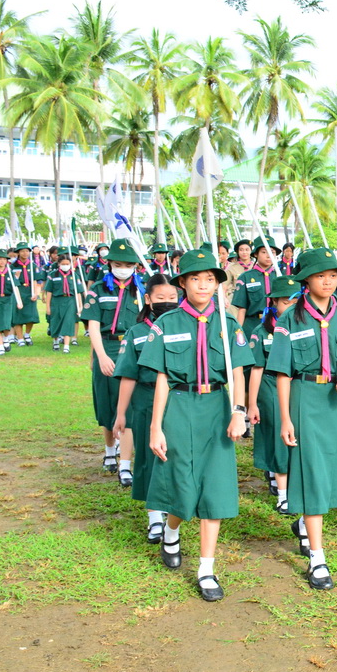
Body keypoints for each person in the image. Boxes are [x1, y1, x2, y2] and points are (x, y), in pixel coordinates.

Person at [141, 245, 253, 601]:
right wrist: (156, 427)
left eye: (209, 279)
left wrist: (238, 411)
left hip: (217, 406)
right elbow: (162, 379)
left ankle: (206, 569)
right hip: (179, 406)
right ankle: (171, 531)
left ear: (218, 283)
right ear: (183, 283)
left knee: (214, 488)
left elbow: (238, 371)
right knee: (182, 486)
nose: (203, 285)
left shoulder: (227, 323)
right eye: (195, 279)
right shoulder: (166, 324)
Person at [269, 247, 337, 590]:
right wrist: (285, 418)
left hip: (336, 401)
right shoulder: (290, 319)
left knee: (331, 468)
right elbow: (282, 373)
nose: (328, 281)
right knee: (311, 472)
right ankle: (317, 557)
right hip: (306, 399)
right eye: (320, 275)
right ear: (306, 280)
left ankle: (303, 523)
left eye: (333, 276)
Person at [112, 273, 179, 541]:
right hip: (146, 400)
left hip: (178, 400)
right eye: (161, 298)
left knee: (175, 457)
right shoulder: (137, 333)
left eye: (173, 297)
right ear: (148, 299)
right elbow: (128, 375)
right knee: (150, 458)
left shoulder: (185, 327)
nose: (167, 302)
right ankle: (155, 518)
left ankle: (173, 510)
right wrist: (121, 413)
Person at [80, 238, 145, 481]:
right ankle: (110, 451)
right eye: (118, 264)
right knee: (107, 403)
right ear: (109, 264)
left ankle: (125, 462)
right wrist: (101, 356)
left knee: (130, 405)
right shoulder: (98, 289)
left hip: (134, 349)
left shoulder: (142, 290)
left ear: (135, 266)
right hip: (107, 346)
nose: (123, 269)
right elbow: (93, 326)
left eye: (128, 265)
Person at [246, 275, 300, 509]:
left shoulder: (303, 326)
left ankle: (292, 482)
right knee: (279, 437)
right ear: (274, 303)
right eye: (286, 302)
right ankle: (283, 495)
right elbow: (256, 369)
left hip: (297, 386)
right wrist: (252, 404)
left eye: (295, 302)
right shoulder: (261, 331)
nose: (291, 307)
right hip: (270, 386)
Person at [230, 237, 281, 339]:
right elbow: (242, 309)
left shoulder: (279, 276)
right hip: (252, 325)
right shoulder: (246, 277)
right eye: (264, 252)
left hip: (276, 324)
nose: (268, 256)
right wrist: (238, 334)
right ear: (256, 254)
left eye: (272, 252)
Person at [43, 249, 79, 353]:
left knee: (69, 321)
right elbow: (49, 291)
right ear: (59, 264)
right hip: (56, 300)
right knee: (56, 321)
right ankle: (56, 341)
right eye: (63, 264)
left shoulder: (74, 275)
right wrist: (48, 307)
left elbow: (78, 292)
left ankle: (66, 346)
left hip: (70, 300)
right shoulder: (53, 275)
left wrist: (80, 306)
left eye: (67, 264)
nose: (65, 266)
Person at [9, 242, 42, 346]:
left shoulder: (32, 265)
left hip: (29, 291)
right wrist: (16, 277)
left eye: (27, 251)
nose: (25, 253)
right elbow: (11, 281)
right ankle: (20, 338)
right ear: (18, 253)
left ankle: (27, 334)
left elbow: (36, 280)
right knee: (18, 316)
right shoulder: (12, 266)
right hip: (18, 291)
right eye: (22, 251)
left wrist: (36, 293)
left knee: (31, 315)